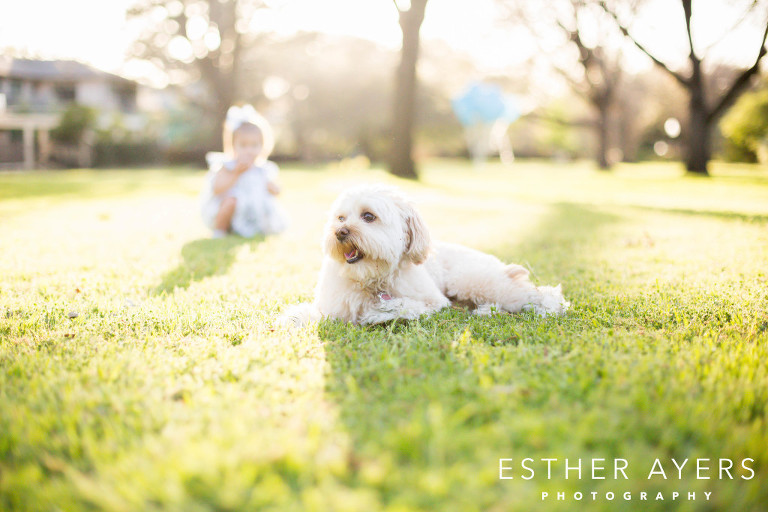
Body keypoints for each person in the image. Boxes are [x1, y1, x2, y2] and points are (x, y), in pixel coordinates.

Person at [201, 105, 287, 238]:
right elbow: (216, 189)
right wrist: (236, 173)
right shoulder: (228, 166)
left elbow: (278, 191)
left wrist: (272, 187)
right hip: (233, 206)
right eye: (243, 145)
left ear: (262, 146)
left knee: (266, 205)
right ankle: (220, 230)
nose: (249, 150)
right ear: (233, 145)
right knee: (231, 201)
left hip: (253, 210)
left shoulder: (263, 169)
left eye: (254, 145)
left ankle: (255, 229)